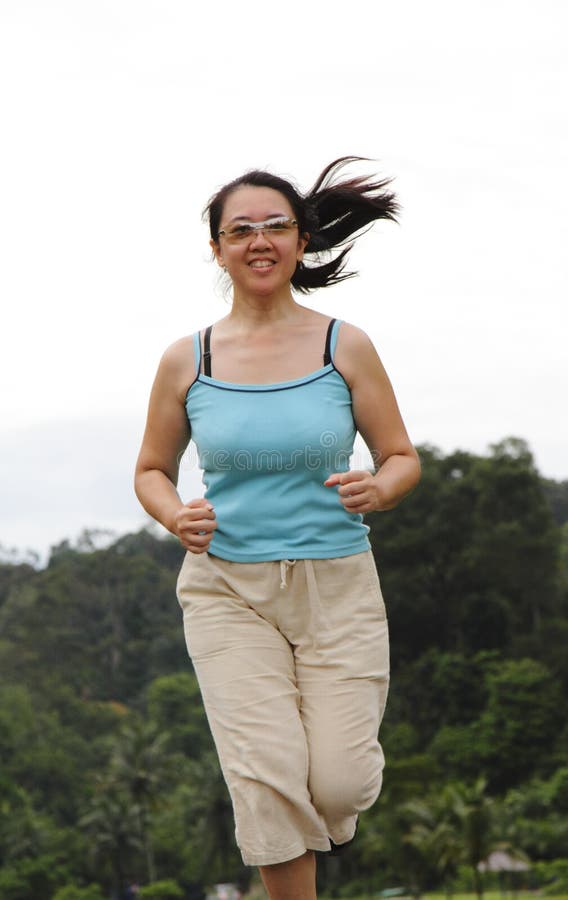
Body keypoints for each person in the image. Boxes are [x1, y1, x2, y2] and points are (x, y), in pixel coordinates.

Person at [134, 157, 421, 900]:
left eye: (275, 226)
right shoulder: (186, 360)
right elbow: (151, 471)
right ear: (217, 248)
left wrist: (377, 490)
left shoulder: (342, 346)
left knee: (336, 784)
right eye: (241, 230)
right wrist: (176, 514)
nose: (258, 241)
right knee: (266, 776)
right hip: (228, 587)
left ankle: (320, 808)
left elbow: (400, 458)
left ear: (300, 241)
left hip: (338, 586)